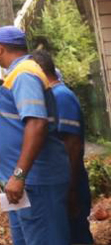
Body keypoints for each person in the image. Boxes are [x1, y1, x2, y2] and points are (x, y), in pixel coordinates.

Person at [0, 26, 71, 245]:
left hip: (35, 182)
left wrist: (19, 175)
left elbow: (36, 123)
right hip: (24, 186)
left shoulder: (24, 74)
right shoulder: (19, 73)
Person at [30, 49, 94, 245]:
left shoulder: (61, 97)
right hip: (62, 184)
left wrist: (71, 189)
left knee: (76, 235)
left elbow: (72, 146)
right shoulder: (53, 96)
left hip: (69, 184)